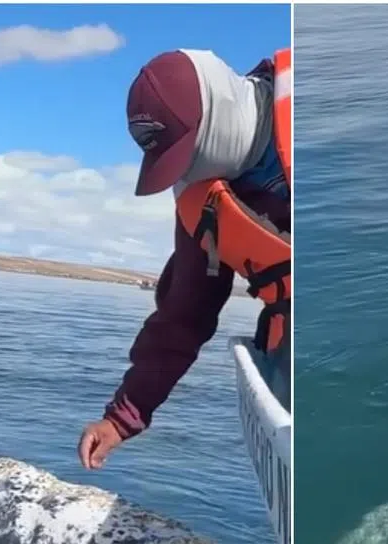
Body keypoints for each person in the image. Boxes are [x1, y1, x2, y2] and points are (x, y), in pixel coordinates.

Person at [78, 47, 292, 471]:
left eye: (186, 155)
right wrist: (122, 417)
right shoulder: (203, 201)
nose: (183, 175)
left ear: (219, 117)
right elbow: (184, 314)